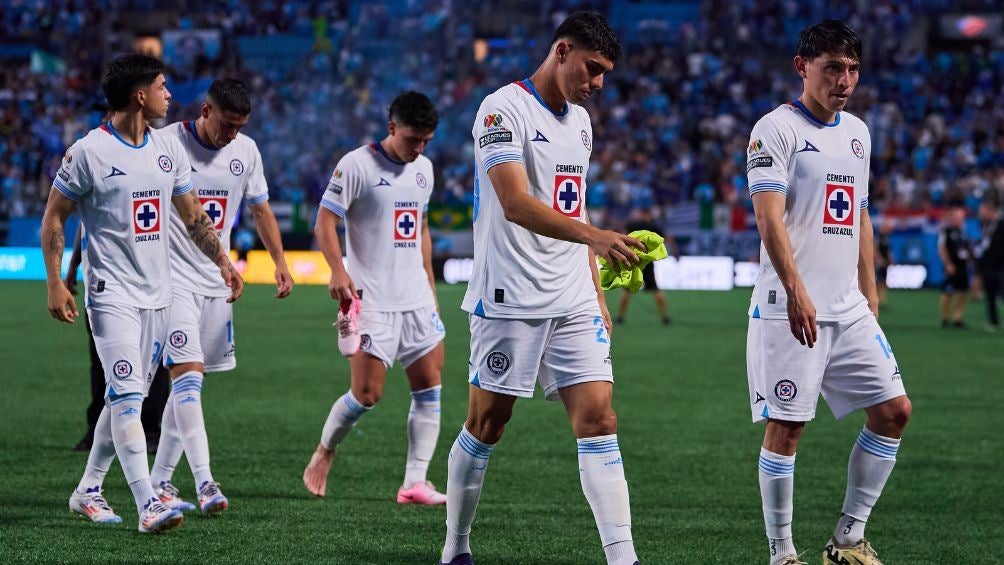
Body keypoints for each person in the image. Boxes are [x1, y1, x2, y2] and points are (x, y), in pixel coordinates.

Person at [439, 12, 644, 565]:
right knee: (488, 422)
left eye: (605, 73)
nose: (598, 83)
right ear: (561, 50)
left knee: (599, 418)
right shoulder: (501, 109)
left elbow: (571, 206)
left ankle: (623, 557)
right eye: (592, 68)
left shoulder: (581, 122)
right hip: (510, 293)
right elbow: (514, 202)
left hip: (572, 294)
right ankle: (455, 545)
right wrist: (596, 236)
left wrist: (596, 289)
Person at [41, 53, 243, 534]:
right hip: (111, 296)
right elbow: (54, 217)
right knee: (130, 395)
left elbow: (193, 215)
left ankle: (88, 488)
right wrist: (55, 282)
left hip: (160, 295)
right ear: (140, 95)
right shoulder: (88, 152)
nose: (169, 94)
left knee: (119, 400)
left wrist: (222, 261)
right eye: (162, 86)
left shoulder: (165, 150)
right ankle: (147, 502)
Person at [745, 20, 911, 565]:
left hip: (848, 307)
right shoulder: (775, 130)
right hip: (790, 306)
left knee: (894, 412)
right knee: (787, 427)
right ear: (802, 67)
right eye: (832, 68)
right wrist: (796, 291)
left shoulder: (859, 133)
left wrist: (871, 289)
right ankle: (782, 553)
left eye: (852, 69)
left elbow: (860, 214)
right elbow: (768, 222)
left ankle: (847, 539)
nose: (844, 80)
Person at [148, 78, 294, 516]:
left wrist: (280, 262)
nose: (232, 134)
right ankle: (205, 481)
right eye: (227, 124)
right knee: (187, 378)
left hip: (216, 281)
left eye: (240, 126)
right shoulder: (166, 142)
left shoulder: (246, 152)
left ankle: (161, 481)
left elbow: (260, 208)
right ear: (205, 111)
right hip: (170, 281)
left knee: (190, 386)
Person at [302, 91, 448, 506]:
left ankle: (415, 482)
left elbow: (419, 230)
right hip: (375, 300)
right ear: (391, 128)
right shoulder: (356, 165)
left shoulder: (425, 170)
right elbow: (325, 222)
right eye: (411, 139)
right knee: (366, 395)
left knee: (430, 388)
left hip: (417, 299)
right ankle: (325, 451)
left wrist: (431, 289)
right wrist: (336, 268)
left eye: (425, 141)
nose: (418, 148)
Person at [66, 225, 172, 453]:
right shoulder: (94, 190)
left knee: (152, 361)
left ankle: (151, 429)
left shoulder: (159, 188)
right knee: (101, 361)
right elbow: (84, 225)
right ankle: (97, 430)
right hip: (104, 287)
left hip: (149, 287)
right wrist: (73, 265)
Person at [615, 208, 675, 325]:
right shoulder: (654, 227)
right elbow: (668, 238)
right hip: (647, 262)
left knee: (626, 291)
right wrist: (673, 251)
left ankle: (620, 317)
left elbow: (622, 236)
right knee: (655, 289)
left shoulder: (633, 225)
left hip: (633, 261)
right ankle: (664, 317)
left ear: (641, 214)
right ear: (648, 215)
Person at [938, 203, 971, 328]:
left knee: (962, 291)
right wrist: (948, 264)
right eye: (959, 217)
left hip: (962, 265)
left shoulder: (963, 231)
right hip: (951, 265)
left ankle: (958, 317)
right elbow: (941, 248)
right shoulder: (946, 231)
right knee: (948, 291)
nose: (961, 219)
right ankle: (945, 317)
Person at [975, 195, 1004, 332]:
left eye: (982, 211)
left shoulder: (1001, 224)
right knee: (990, 294)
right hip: (988, 265)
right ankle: (993, 321)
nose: (981, 214)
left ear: (990, 210)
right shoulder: (985, 225)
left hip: (1000, 265)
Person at [874, 218, 894, 308]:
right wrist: (879, 259)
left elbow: (888, 250)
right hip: (880, 263)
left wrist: (890, 260)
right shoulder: (879, 236)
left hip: (885, 262)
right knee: (878, 281)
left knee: (883, 281)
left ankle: (882, 300)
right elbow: (874, 249)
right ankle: (876, 299)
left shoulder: (886, 237)